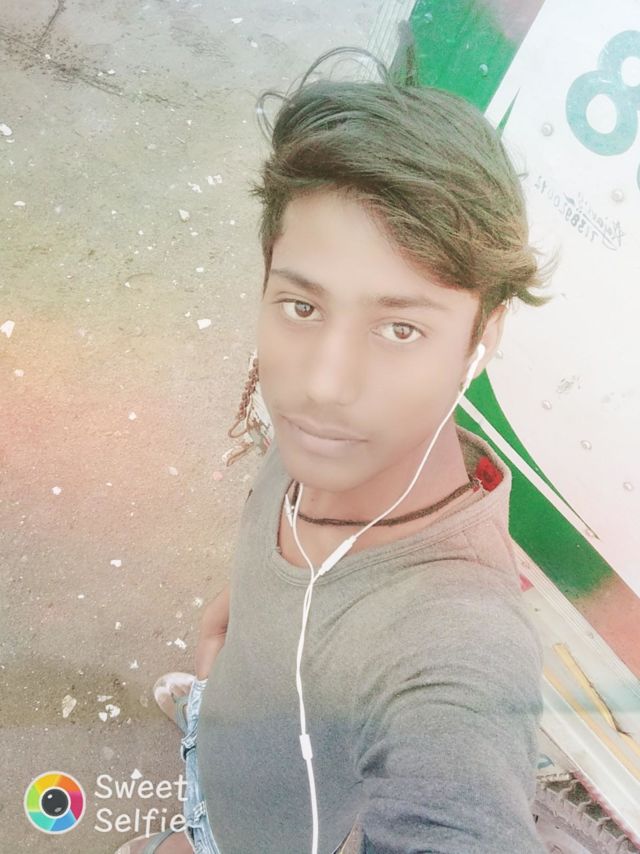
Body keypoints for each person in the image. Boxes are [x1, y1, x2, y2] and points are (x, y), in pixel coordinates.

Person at [115, 44, 556, 854]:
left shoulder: (456, 641)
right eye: (302, 307)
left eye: (400, 328)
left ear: (483, 335)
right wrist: (241, 641)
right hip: (225, 750)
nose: (322, 383)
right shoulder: (340, 440)